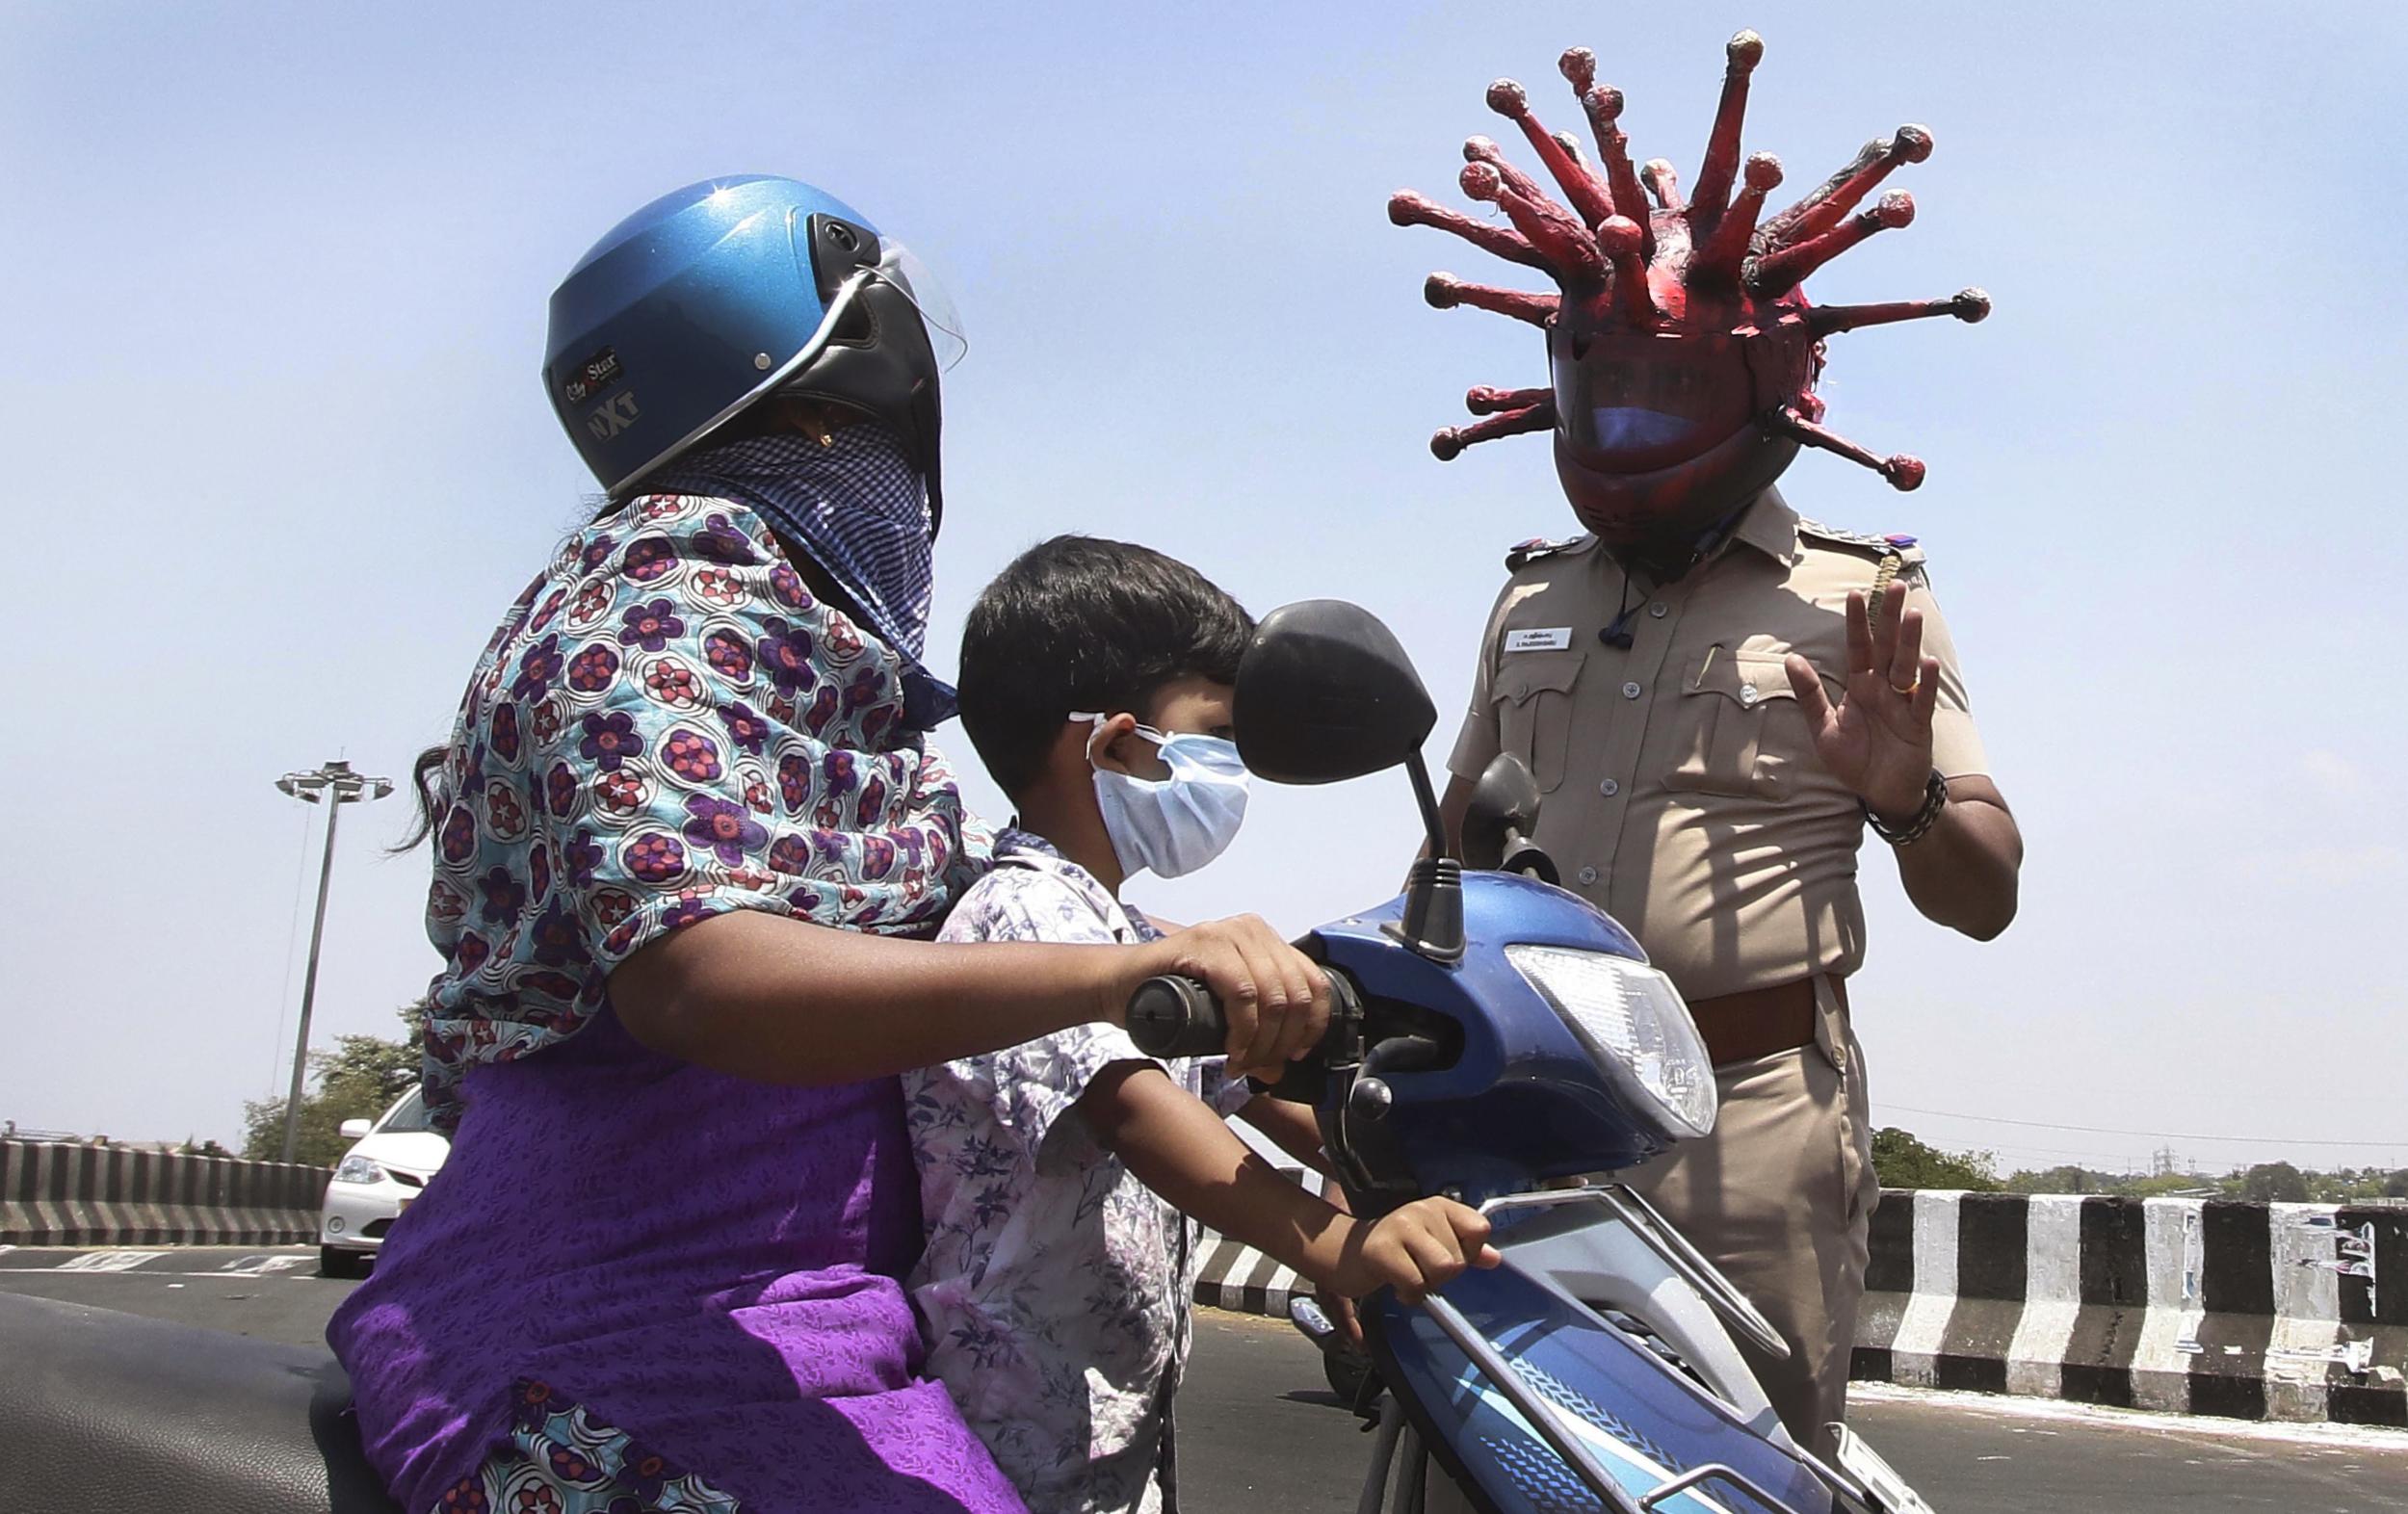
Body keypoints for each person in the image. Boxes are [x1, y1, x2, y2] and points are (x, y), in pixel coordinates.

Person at [327, 176, 1331, 1514]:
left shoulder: (799, 655)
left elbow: (979, 927)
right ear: (832, 398)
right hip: (608, 1338)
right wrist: (1112, 981)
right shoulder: (663, 595)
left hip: (818, 1337)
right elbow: (702, 976)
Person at [1390, 38, 2025, 1453]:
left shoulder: (1863, 595)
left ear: (1765, 393)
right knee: (1497, 1456)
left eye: (1662, 401)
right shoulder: (1532, 594)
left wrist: (1906, 794)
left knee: (1744, 1466)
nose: (1622, 433)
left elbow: (1986, 894)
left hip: (1748, 1124)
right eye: (1599, 394)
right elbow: (1453, 850)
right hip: (1523, 1106)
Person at [905, 535, 1498, 1514]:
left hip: (1106, 1431)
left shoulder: (1123, 935)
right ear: (1113, 744)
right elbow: (1139, 1113)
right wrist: (1332, 1246)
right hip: (1006, 1446)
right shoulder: (1025, 924)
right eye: (1213, 733)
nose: (1233, 770)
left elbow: (1259, 1087)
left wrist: (1404, 1171)